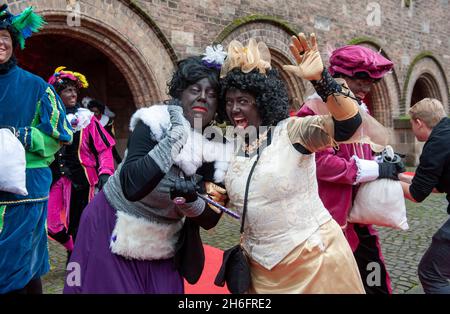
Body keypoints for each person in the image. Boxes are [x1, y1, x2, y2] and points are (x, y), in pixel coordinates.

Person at [217, 34, 380, 293]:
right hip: (258, 272)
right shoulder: (235, 146)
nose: (234, 109)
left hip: (313, 264)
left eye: (243, 101)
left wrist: (321, 80)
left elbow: (348, 125)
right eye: (229, 102)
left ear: (262, 101)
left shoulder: (294, 132)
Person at [63, 46, 232, 294]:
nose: (202, 97)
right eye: (194, 90)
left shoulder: (220, 149)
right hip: (113, 223)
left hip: (163, 238)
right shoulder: (154, 122)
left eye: (211, 93)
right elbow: (133, 185)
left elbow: (210, 217)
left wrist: (190, 202)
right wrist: (175, 138)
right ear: (180, 94)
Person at [297, 45, 403, 294]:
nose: (366, 88)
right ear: (339, 76)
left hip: (358, 218)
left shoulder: (359, 110)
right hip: (327, 222)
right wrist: (374, 170)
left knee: (373, 281)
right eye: (360, 79)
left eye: (371, 81)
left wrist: (384, 162)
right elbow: (319, 163)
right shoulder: (311, 111)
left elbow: (365, 150)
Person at [0, 5, 73, 294]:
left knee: (19, 264)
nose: (0, 42)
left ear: (14, 42)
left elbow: (61, 134)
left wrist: (20, 137)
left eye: (4, 36)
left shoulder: (36, 86)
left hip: (25, 192)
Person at [47, 67, 115, 255]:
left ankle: (80, 260)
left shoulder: (87, 119)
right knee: (52, 225)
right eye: (68, 90)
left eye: (75, 90)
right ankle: (73, 249)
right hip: (55, 178)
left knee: (79, 224)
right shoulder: (50, 119)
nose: (73, 93)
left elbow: (104, 149)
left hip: (83, 179)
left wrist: (106, 171)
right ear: (58, 94)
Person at [399, 98, 450, 294]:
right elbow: (435, 185)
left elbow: (417, 194)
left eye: (412, 123)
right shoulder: (446, 133)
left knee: (431, 272)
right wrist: (401, 176)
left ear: (419, 122)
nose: (412, 129)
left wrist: (385, 179)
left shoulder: (436, 143)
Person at [85, 97, 123, 164]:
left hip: (107, 142)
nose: (94, 114)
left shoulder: (107, 120)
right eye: (92, 112)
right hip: (94, 145)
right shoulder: (88, 121)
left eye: (96, 112)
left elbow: (111, 133)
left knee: (115, 155)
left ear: (100, 111)